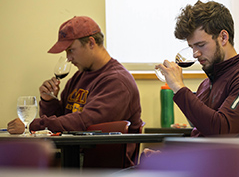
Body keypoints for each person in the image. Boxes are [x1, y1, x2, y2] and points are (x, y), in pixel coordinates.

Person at [7, 16, 142, 167]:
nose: (68, 58)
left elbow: (83, 123)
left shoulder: (117, 82)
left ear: (91, 43)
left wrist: (32, 126)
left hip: (106, 172)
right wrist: (49, 100)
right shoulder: (80, 76)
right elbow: (62, 122)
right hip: (75, 161)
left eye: (71, 50)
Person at [155, 0, 239, 137]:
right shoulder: (206, 84)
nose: (195, 54)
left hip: (230, 158)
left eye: (201, 45)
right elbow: (200, 129)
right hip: (201, 157)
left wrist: (179, 88)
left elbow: (220, 130)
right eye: (192, 47)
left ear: (223, 37)